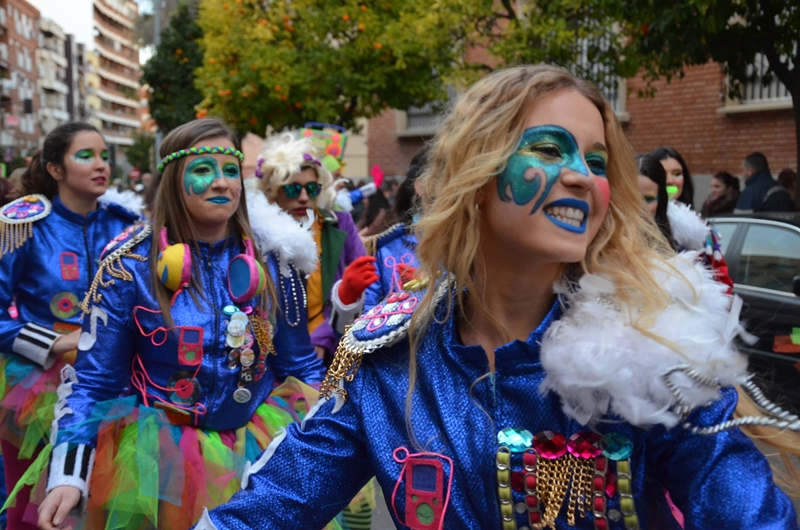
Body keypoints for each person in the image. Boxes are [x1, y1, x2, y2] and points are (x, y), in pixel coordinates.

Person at [198, 65, 797, 529]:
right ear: (477, 176)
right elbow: (271, 507)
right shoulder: (386, 357)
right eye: (547, 149)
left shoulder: (652, 347)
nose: (580, 175)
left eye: (594, 160)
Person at [35, 119, 325, 529]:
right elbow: (94, 382)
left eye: (230, 170)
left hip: (257, 453)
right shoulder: (129, 266)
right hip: (155, 465)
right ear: (175, 180)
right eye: (204, 169)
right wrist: (68, 477)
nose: (222, 182)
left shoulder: (276, 260)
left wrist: (324, 447)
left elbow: (302, 367)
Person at [0, 122, 141, 530]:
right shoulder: (20, 225)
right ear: (55, 170)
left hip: (119, 387)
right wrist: (58, 342)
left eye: (104, 156)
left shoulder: (128, 228)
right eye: (86, 156)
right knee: (37, 510)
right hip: (35, 391)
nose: (101, 165)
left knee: (109, 507)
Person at [254, 133, 367, 362]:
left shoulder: (340, 224)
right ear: (273, 191)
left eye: (312, 189)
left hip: (334, 352)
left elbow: (365, 289)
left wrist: (323, 338)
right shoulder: (257, 235)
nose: (304, 197)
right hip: (275, 357)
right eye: (293, 189)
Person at [637, 154, 733, 290]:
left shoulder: (702, 231)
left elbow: (722, 287)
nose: (670, 181)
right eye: (664, 174)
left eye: (676, 174)